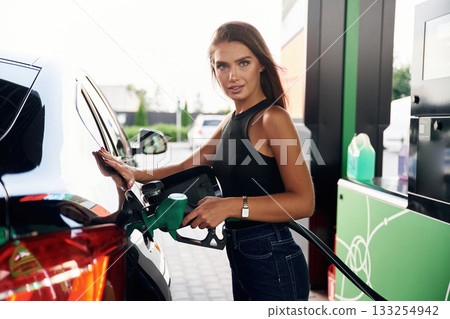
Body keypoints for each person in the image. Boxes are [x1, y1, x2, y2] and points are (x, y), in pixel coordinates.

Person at [97, 21, 315, 301]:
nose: (232, 76)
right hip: (242, 253)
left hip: (273, 255)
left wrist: (230, 206)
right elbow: (185, 166)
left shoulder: (273, 119)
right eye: (222, 66)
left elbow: (304, 202)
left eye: (243, 63)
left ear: (261, 64)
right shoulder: (230, 121)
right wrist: (133, 172)